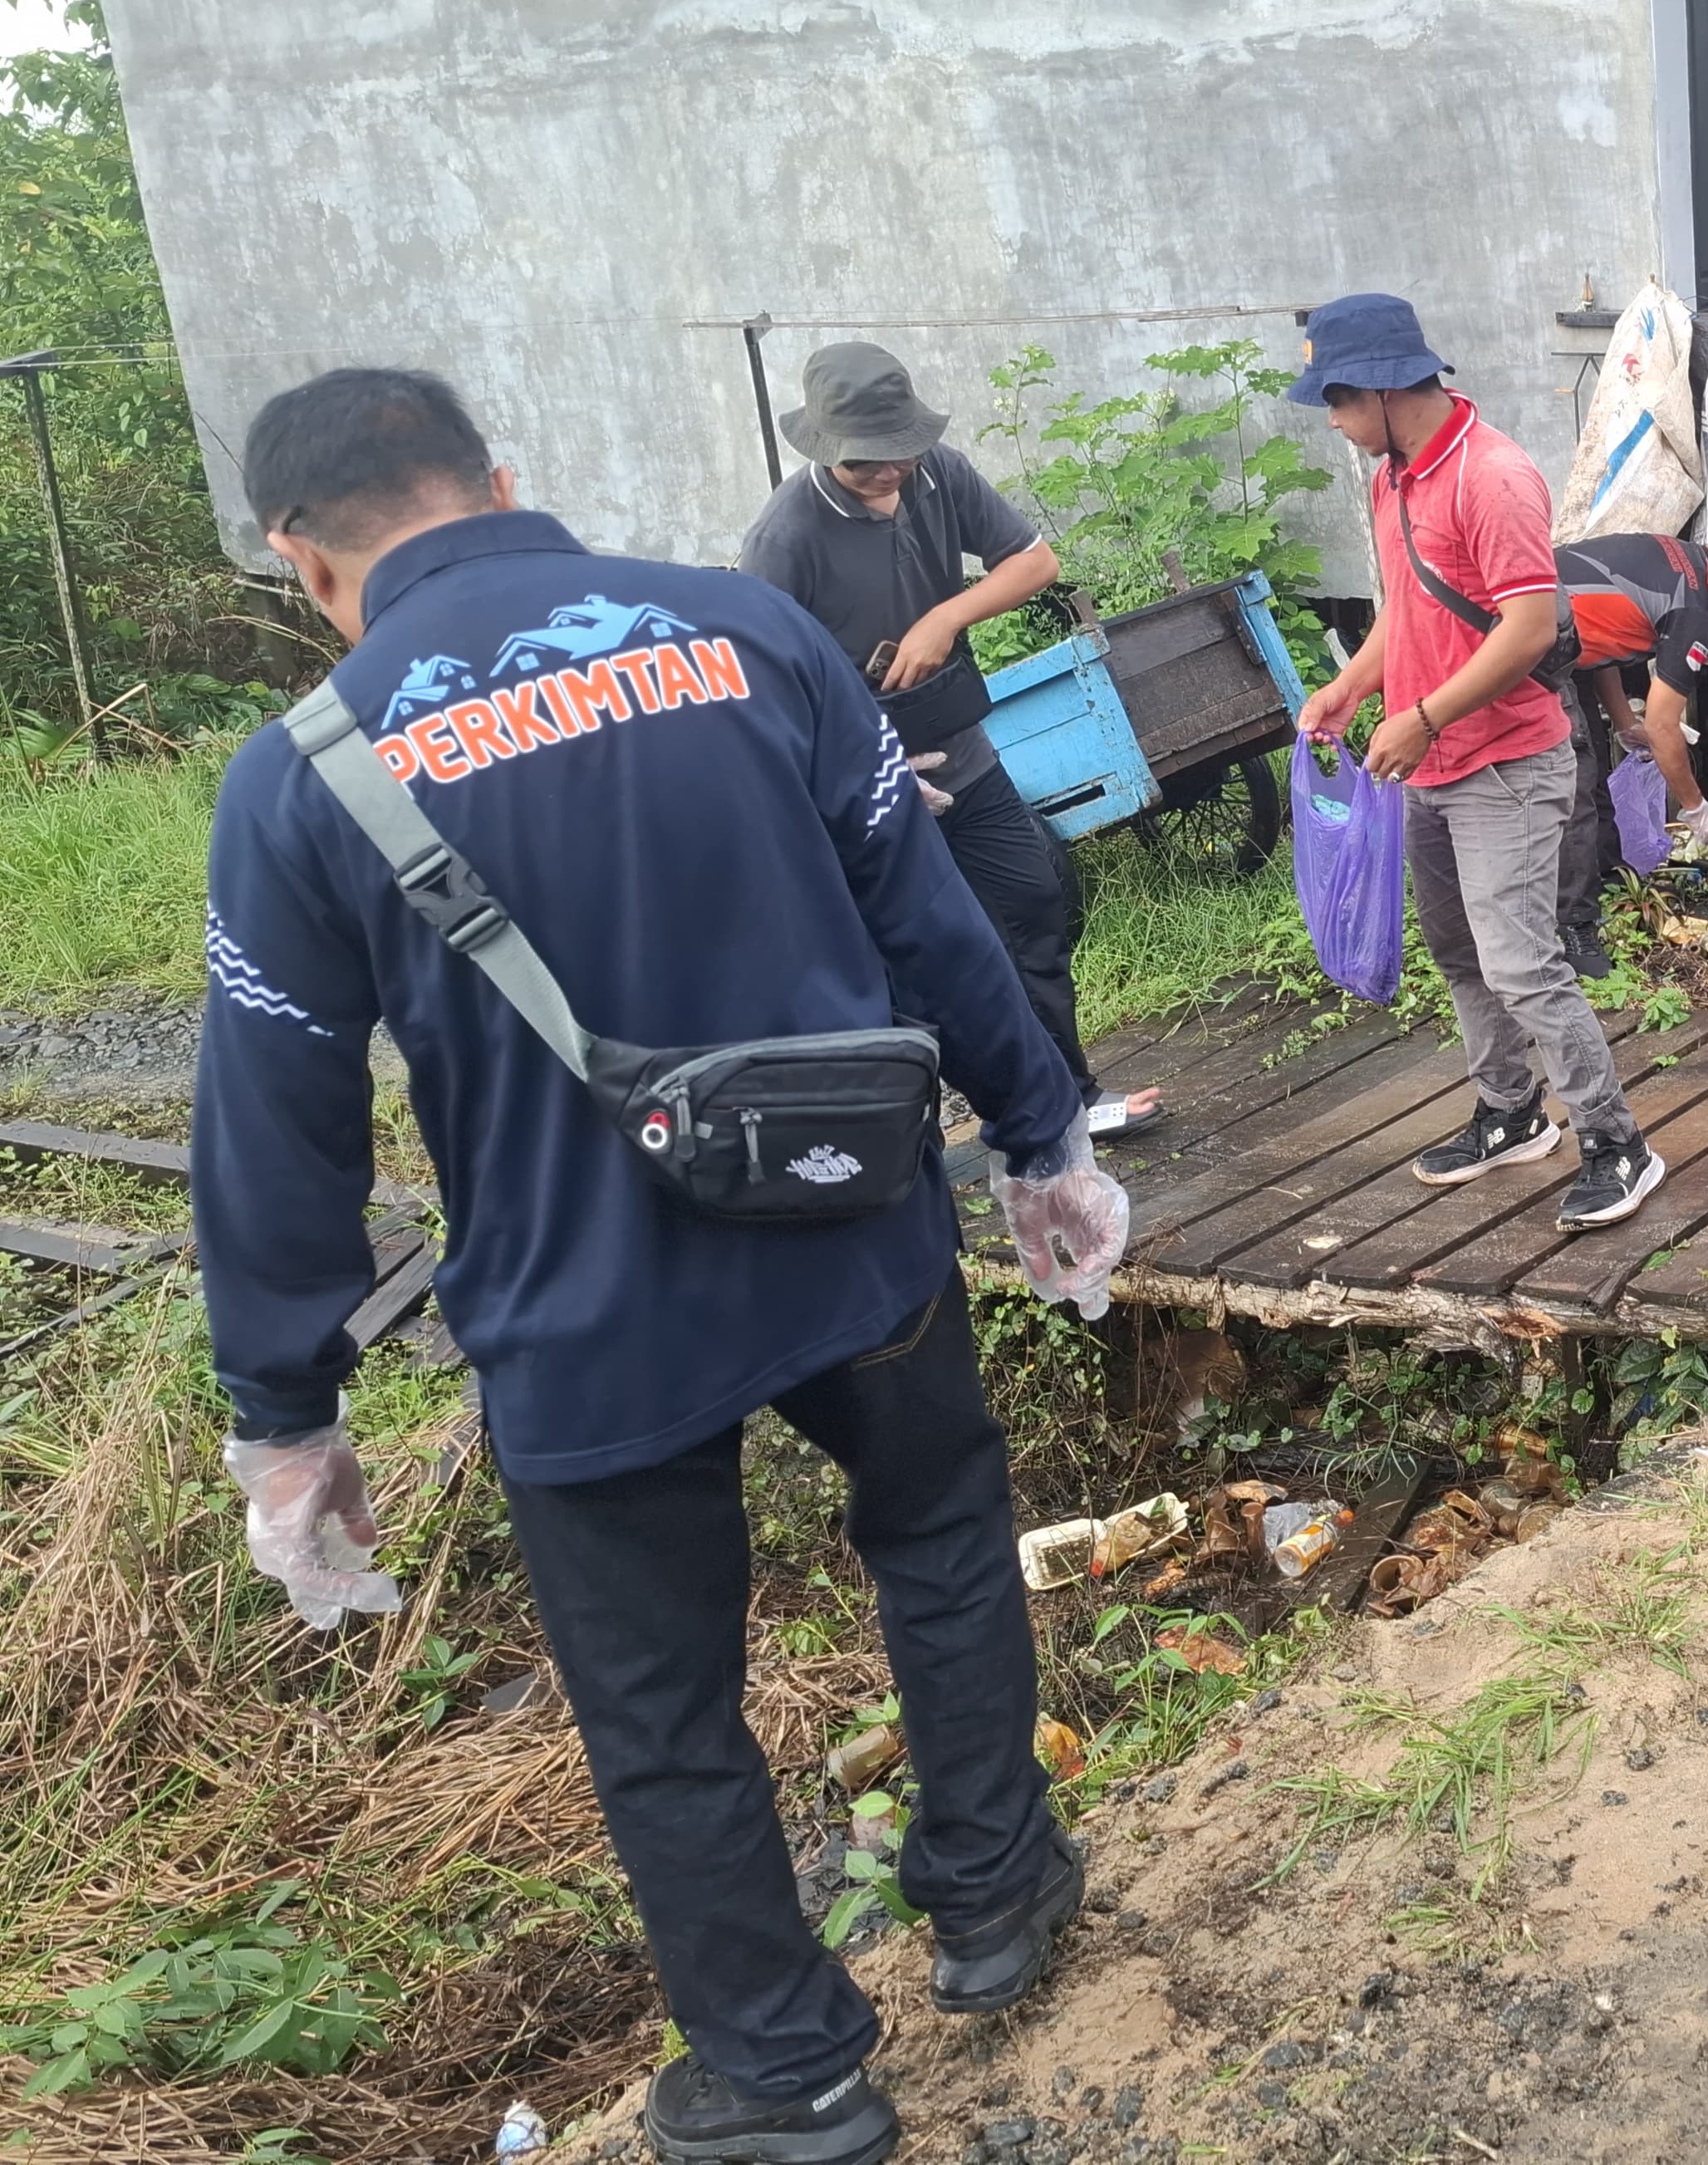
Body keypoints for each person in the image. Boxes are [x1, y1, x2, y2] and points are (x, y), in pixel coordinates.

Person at [195, 370, 1131, 2165]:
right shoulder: (745, 633)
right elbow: (927, 920)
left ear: (305, 563)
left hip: (589, 1311)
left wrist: (286, 1414)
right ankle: (998, 1895)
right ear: (503, 482)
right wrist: (1041, 1141)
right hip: (859, 1236)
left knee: (661, 1705)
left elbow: (276, 1124)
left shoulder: (302, 776)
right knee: (936, 1533)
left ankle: (785, 2073)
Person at [1287, 294, 1665, 1230]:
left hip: (1507, 766)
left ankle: (1619, 1142)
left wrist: (1420, 714)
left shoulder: (1492, 476)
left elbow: (1529, 627)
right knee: (1459, 953)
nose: (1332, 422)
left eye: (1336, 400)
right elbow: (1410, 611)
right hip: (1432, 766)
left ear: (1379, 388)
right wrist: (1353, 690)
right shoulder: (1393, 477)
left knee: (1522, 963)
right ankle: (1509, 1112)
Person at [739, 341, 1156, 1138]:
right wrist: (859, 765)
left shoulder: (941, 474)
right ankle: (911, 1139)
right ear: (827, 451)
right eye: (866, 463)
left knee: (1033, 905)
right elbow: (761, 687)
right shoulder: (784, 538)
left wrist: (945, 616)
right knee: (903, 961)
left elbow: (1033, 563)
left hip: (962, 750)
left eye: (901, 450)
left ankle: (1065, 1101)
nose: (889, 471)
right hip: (868, 779)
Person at [1552, 523, 1708, 980]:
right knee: (1575, 785)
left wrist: (1625, 723)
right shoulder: (1695, 607)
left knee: (1594, 773)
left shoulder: (1671, 556)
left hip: (1565, 643)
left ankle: (1608, 883)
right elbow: (1665, 725)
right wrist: (1697, 809)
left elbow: (1601, 639)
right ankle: (1573, 928)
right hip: (1532, 642)